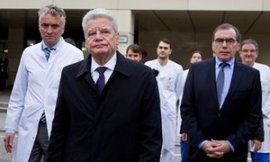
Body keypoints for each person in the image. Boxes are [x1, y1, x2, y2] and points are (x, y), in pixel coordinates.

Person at [46, 8, 162, 162]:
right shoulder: (70, 75)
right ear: (86, 40)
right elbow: (59, 132)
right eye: (92, 33)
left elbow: (151, 137)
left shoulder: (143, 76)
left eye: (105, 32)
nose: (98, 37)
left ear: (117, 37)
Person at [4, 5, 84, 162]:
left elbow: (79, 98)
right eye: (45, 25)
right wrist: (10, 127)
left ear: (63, 28)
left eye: (54, 26)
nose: (49, 30)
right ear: (39, 26)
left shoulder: (75, 55)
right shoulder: (29, 53)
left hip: (58, 126)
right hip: (30, 123)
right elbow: (18, 94)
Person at [180, 23, 263, 162]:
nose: (224, 45)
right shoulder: (196, 71)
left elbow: (253, 115)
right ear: (213, 45)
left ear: (237, 45)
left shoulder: (251, 75)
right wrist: (203, 143)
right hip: (199, 153)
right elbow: (187, 109)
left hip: (234, 153)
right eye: (219, 40)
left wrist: (230, 144)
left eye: (230, 41)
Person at [145, 38, 184, 162]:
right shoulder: (148, 65)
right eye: (160, 47)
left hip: (168, 112)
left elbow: (178, 91)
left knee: (168, 145)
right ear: (157, 49)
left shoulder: (177, 68)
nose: (162, 50)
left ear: (170, 51)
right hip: (150, 110)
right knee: (150, 142)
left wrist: (169, 102)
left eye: (165, 48)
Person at [239, 38, 270, 162]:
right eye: (245, 51)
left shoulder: (266, 71)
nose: (248, 54)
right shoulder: (234, 70)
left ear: (257, 53)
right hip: (239, 123)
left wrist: (262, 112)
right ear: (240, 53)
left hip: (261, 119)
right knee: (237, 154)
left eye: (252, 51)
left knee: (261, 156)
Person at [178, 50, 203, 162]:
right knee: (186, 154)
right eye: (194, 57)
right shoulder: (183, 74)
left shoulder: (206, 75)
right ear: (191, 59)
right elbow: (183, 99)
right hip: (187, 119)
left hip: (202, 121)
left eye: (199, 57)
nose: (196, 59)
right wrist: (184, 127)